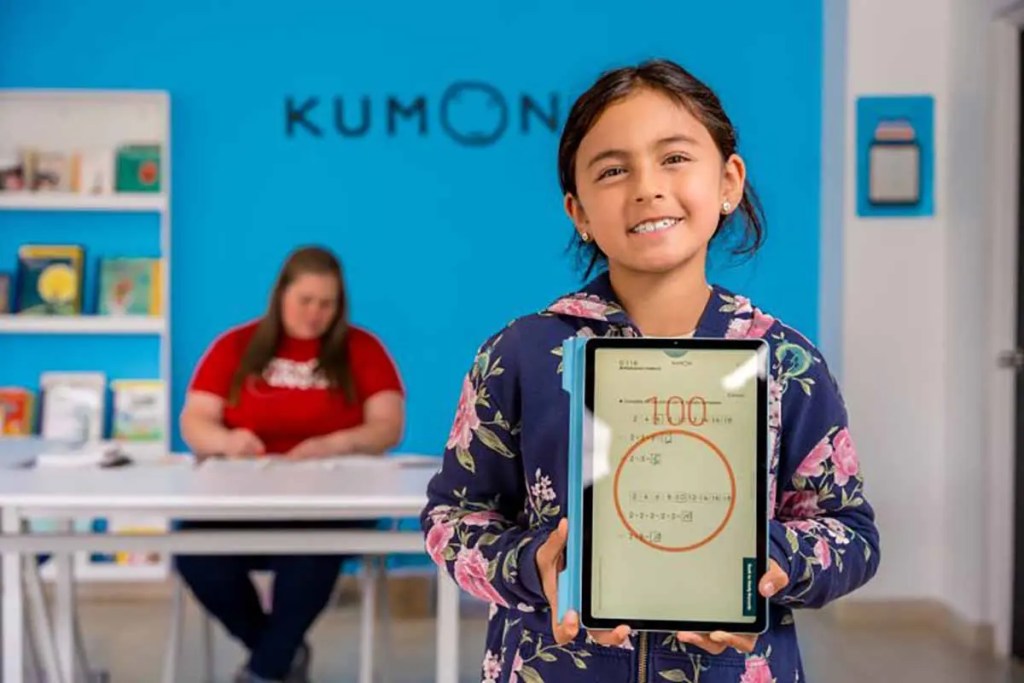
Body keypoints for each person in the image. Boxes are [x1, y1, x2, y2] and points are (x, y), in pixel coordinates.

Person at [420, 60, 880, 683]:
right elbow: (452, 519)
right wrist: (533, 564)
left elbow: (851, 533)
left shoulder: (787, 363)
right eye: (613, 170)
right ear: (578, 211)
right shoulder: (519, 355)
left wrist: (767, 561)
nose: (646, 187)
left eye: (675, 158)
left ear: (729, 181)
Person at [178, 245, 404, 683]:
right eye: (305, 300)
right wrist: (227, 440)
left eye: (327, 303)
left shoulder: (363, 348)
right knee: (194, 551)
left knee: (311, 550)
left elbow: (388, 426)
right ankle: (280, 653)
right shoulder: (236, 345)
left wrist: (335, 443)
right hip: (245, 498)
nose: (315, 313)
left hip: (332, 502)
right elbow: (194, 421)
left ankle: (264, 671)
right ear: (280, 295)